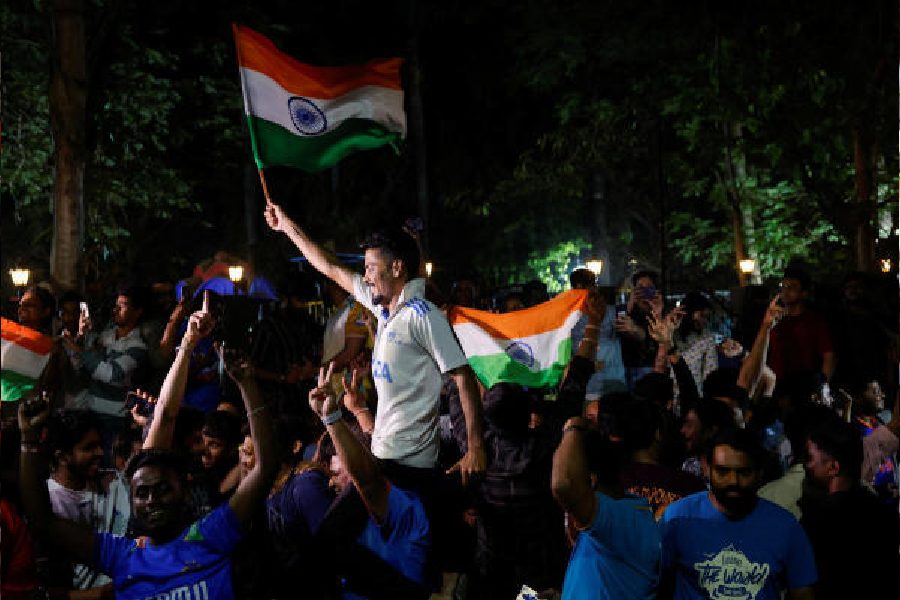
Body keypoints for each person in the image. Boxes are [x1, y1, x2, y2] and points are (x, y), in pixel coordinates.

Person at [18, 307, 278, 600]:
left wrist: (247, 383)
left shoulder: (210, 535)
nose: (152, 500)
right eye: (142, 493)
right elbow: (42, 520)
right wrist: (28, 441)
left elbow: (266, 468)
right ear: (131, 497)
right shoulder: (121, 556)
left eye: (163, 489)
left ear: (184, 489)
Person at [264, 201, 486, 481]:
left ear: (396, 268)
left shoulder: (423, 315)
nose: (365, 276)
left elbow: (463, 377)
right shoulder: (382, 309)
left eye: (370, 268)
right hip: (382, 454)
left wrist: (475, 449)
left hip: (411, 467)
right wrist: (286, 226)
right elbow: (331, 268)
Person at [309, 363, 432, 599]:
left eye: (336, 473)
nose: (331, 483)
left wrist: (332, 418)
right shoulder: (362, 511)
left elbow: (368, 478)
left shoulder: (405, 508)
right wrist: (358, 410)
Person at [660, 428, 817, 600]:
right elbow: (657, 582)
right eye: (722, 471)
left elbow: (802, 592)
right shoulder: (678, 518)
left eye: (743, 473)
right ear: (706, 468)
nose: (733, 481)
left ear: (759, 472)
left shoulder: (785, 527)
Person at [551, 413, 661, 599]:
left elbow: (564, 485)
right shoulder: (616, 520)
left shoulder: (624, 521)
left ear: (590, 480)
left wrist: (573, 427)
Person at [800, 414, 899, 600]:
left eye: (810, 458)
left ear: (833, 467)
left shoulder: (817, 520)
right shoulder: (883, 513)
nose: (806, 466)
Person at [44, 408, 130, 593]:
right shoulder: (49, 502)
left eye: (100, 445)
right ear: (62, 456)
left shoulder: (112, 482)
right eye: (89, 448)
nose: (100, 452)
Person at [64, 286, 151, 456]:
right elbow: (81, 366)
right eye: (116, 305)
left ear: (137, 311)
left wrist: (81, 352)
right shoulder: (105, 336)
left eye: (123, 305)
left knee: (109, 466)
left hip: (114, 419)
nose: (116, 309)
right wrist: (81, 338)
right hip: (91, 412)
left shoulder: (138, 347)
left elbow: (111, 374)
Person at [766, 267, 835, 383]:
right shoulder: (774, 320)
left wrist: (822, 386)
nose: (785, 291)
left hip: (805, 383)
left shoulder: (814, 321)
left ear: (804, 293)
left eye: (792, 287)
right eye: (783, 287)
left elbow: (829, 355)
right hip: (775, 384)